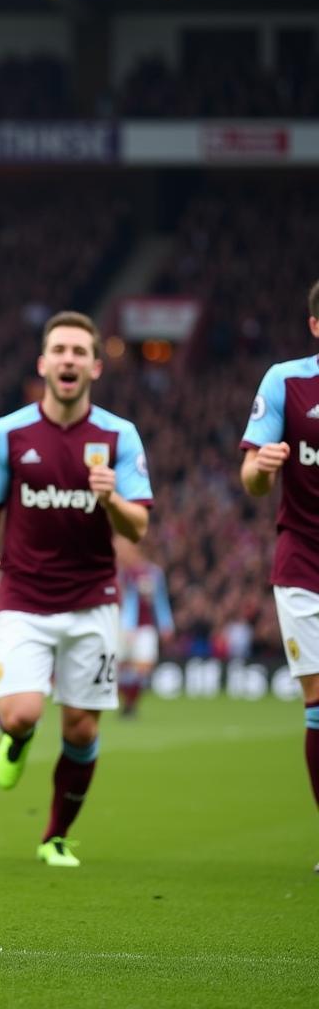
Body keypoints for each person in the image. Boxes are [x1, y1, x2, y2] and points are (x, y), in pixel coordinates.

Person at [0, 310, 153, 868]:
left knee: (81, 726)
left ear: (95, 365)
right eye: (60, 350)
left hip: (94, 601)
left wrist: (111, 498)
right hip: (25, 598)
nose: (69, 360)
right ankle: (18, 740)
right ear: (44, 363)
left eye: (79, 351)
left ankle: (55, 836)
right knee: (22, 713)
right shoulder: (9, 432)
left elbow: (138, 526)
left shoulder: (119, 436)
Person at [240, 279, 319, 872]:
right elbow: (251, 478)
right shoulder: (286, 382)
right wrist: (263, 469)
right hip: (304, 560)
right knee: (317, 702)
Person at [115, 535, 174, 717]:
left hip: (145, 626)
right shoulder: (120, 573)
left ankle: (131, 703)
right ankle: (128, 704)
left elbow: (160, 600)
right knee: (121, 666)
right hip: (122, 626)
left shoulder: (153, 573)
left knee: (143, 666)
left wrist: (166, 624)